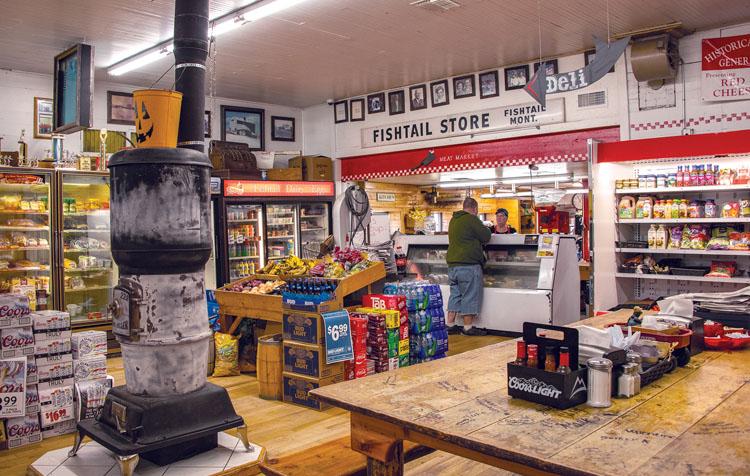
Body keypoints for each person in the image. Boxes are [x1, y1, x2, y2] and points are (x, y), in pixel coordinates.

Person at [446, 197, 491, 336]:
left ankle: (450, 325)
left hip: (453, 265)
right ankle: (467, 327)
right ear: (475, 209)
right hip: (468, 264)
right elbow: (486, 236)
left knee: (455, 294)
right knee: (470, 294)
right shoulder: (471, 219)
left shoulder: (454, 220)